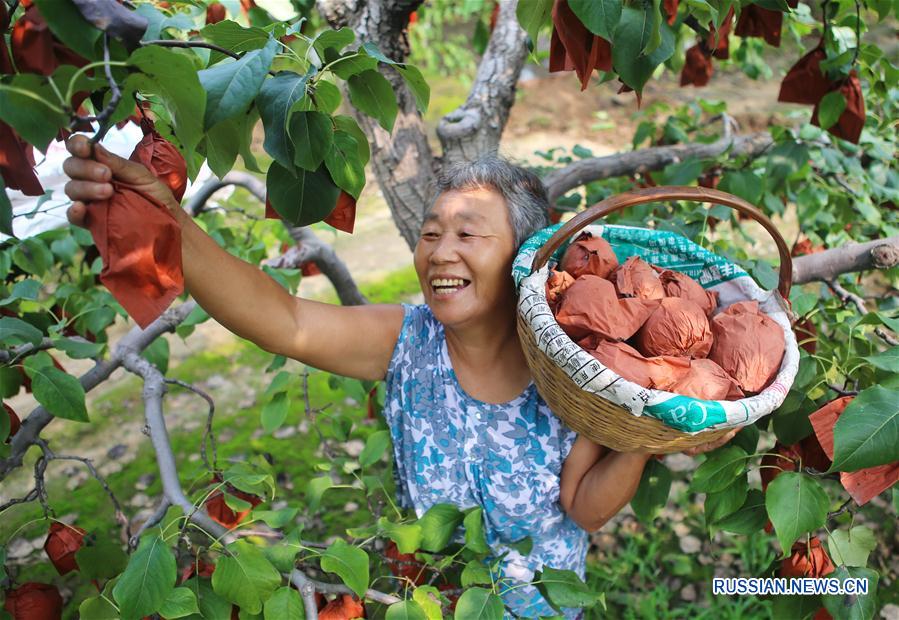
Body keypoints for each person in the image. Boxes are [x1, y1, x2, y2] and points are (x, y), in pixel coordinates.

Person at [62, 136, 736, 618]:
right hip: (425, 601)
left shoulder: (571, 366)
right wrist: (166, 216)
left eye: (468, 234)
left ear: (526, 255)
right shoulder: (408, 343)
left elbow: (583, 508)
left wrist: (643, 428)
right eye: (429, 233)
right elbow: (283, 320)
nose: (439, 252)